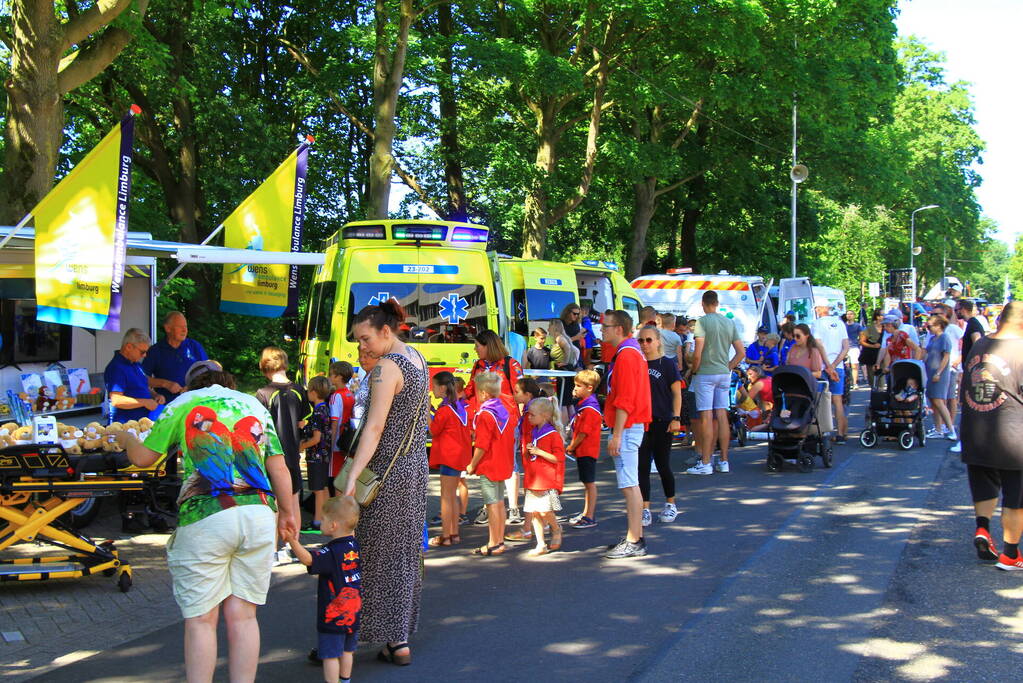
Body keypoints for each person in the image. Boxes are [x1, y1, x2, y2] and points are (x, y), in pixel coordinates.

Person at [115, 359, 296, 683]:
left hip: (207, 517)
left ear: (189, 385)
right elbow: (280, 468)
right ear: (227, 380)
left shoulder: (183, 402)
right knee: (243, 617)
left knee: (202, 620)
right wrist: (289, 514)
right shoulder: (251, 404)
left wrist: (127, 440)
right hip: (258, 515)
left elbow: (143, 459)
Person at [341, 299, 429, 666]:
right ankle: (400, 638)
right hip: (414, 468)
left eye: (365, 339)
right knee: (405, 553)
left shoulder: (386, 367)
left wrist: (349, 483)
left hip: (383, 475)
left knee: (373, 555)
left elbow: (373, 429)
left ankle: (352, 635)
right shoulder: (416, 357)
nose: (362, 347)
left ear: (385, 332)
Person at [959, 302, 1023, 570]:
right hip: (1012, 435)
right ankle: (1010, 554)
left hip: (976, 431)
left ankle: (983, 529)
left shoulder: (980, 344)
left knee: (984, 485)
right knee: (1016, 497)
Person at [286, 495, 362, 683]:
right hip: (354, 611)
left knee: (329, 654)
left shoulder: (331, 552)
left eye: (324, 518)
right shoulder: (354, 546)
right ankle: (346, 680)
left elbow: (308, 559)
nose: (321, 521)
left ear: (333, 525)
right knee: (347, 650)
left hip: (333, 614)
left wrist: (293, 541)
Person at [600, 310, 652, 559]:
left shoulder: (627, 355)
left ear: (619, 328)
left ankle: (634, 540)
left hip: (628, 426)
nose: (603, 330)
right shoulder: (629, 352)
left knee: (630, 484)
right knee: (630, 483)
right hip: (629, 425)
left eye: (606, 326)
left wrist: (617, 434)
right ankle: (634, 536)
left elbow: (625, 399)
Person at [256, 347, 310, 563]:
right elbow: (302, 421)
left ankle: (272, 550)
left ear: (265, 367)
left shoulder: (262, 394)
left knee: (273, 502)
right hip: (292, 453)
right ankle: (293, 547)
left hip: (271, 456)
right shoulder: (299, 390)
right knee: (294, 499)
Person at [686, 291, 744, 476]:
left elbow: (698, 352)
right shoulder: (729, 322)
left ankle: (705, 462)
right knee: (721, 414)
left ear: (703, 304)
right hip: (723, 373)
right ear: (717, 303)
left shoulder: (702, 322)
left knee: (705, 416)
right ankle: (724, 460)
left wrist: (694, 369)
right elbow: (741, 352)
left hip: (705, 373)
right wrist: (728, 367)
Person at [465, 371, 515, 556]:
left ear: (484, 393)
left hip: (489, 464)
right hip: (503, 462)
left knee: (492, 504)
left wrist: (472, 464)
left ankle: (494, 543)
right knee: (500, 503)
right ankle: (499, 540)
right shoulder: (503, 409)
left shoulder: (486, 414)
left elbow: (481, 444)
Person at [637, 327, 682, 525]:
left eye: (648, 340)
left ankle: (670, 504)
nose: (645, 344)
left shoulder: (668, 364)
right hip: (642, 421)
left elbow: (676, 393)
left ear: (658, 341)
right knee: (642, 467)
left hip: (663, 420)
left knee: (663, 465)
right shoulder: (637, 363)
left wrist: (676, 418)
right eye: (641, 341)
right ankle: (645, 507)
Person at [428, 372, 471, 547]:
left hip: (448, 455)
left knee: (446, 497)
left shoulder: (446, 409)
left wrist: (426, 413)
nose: (433, 389)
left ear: (443, 388)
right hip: (458, 455)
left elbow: (434, 430)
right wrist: (432, 410)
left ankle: (446, 536)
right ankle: (453, 534)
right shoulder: (457, 405)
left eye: (435, 386)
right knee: (451, 496)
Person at [523, 397, 566, 556]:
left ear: (545, 416)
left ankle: (556, 528)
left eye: (532, 415)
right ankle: (541, 544)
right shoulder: (533, 432)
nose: (529, 418)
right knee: (535, 512)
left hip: (547, 480)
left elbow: (558, 458)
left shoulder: (553, 434)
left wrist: (539, 452)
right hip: (534, 478)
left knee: (545, 511)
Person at [506, 377, 545, 543]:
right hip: (532, 454)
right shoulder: (533, 408)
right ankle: (542, 524)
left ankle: (528, 529)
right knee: (536, 492)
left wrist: (529, 451)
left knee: (532, 493)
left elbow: (531, 434)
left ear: (527, 394)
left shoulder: (531, 412)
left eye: (517, 392)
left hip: (532, 455)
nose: (514, 395)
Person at [143, 311, 209, 404]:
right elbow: (141, 379)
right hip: (168, 406)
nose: (184, 330)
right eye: (180, 327)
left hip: (194, 403)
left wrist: (192, 387)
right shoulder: (155, 351)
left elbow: (209, 374)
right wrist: (165, 384)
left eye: (185, 326)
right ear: (168, 328)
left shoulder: (194, 347)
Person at [105, 328, 164, 424]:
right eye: (142, 352)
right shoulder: (116, 367)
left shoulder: (135, 364)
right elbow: (116, 400)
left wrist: (155, 395)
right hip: (124, 425)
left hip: (142, 422)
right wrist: (145, 402)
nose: (144, 355)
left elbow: (141, 385)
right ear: (128, 347)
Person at [567, 369, 602, 529]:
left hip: (587, 450)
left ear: (589, 388)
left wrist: (572, 446)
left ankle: (590, 515)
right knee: (586, 483)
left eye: (578, 386)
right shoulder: (584, 405)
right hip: (583, 450)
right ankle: (586, 512)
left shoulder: (589, 408)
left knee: (589, 483)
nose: (575, 388)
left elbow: (583, 433)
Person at [812, 297, 850, 443]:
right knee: (837, 400)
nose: (816, 310)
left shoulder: (817, 324)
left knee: (821, 400)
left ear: (823, 308)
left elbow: (819, 345)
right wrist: (834, 365)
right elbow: (845, 347)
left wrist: (828, 366)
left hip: (822, 367)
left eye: (817, 308)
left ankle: (823, 432)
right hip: (838, 366)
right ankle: (841, 434)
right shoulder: (840, 323)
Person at [299, 376, 333, 532]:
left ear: (313, 392)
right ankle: (325, 517)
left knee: (317, 489)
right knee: (324, 487)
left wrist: (302, 446)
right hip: (325, 455)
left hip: (316, 456)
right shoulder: (325, 408)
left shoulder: (317, 413)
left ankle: (317, 521)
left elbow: (316, 438)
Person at [464, 329, 522, 410]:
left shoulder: (511, 364)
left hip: (505, 418)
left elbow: (520, 394)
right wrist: (454, 395)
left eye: (477, 346)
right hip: (483, 417)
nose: (475, 349)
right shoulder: (478, 365)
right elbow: (470, 390)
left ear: (488, 346)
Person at [923, 315, 956, 440]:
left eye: (930, 326)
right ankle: (938, 428)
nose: (928, 328)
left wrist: (938, 372)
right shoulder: (932, 339)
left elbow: (946, 357)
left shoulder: (944, 338)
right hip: (930, 372)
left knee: (939, 401)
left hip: (939, 373)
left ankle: (950, 428)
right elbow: (926, 353)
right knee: (933, 401)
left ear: (938, 326)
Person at [328, 361, 356, 488]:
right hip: (347, 439)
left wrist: (331, 443)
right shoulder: (350, 394)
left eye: (331, 375)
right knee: (343, 476)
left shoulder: (335, 396)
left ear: (338, 377)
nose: (329, 377)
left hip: (337, 442)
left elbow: (334, 422)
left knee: (333, 478)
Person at [547, 318, 580, 419]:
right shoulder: (563, 337)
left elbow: (568, 348)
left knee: (563, 402)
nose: (548, 329)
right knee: (568, 402)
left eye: (549, 326)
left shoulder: (559, 338)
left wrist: (565, 362)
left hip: (563, 371)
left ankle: (565, 427)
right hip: (566, 370)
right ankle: (571, 427)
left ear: (554, 327)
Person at [858, 311, 884, 389]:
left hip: (883, 354)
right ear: (877, 316)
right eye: (882, 315)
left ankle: (881, 391)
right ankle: (874, 391)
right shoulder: (870, 328)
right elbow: (862, 341)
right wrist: (872, 346)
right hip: (871, 355)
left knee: (881, 375)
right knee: (872, 377)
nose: (884, 316)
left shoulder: (886, 327)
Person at [844, 310, 864, 389]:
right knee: (846, 366)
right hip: (844, 348)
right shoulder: (843, 325)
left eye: (851, 314)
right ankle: (848, 383)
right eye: (848, 314)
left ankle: (855, 383)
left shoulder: (857, 326)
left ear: (854, 316)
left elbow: (861, 335)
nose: (849, 315)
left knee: (855, 366)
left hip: (854, 347)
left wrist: (860, 343)